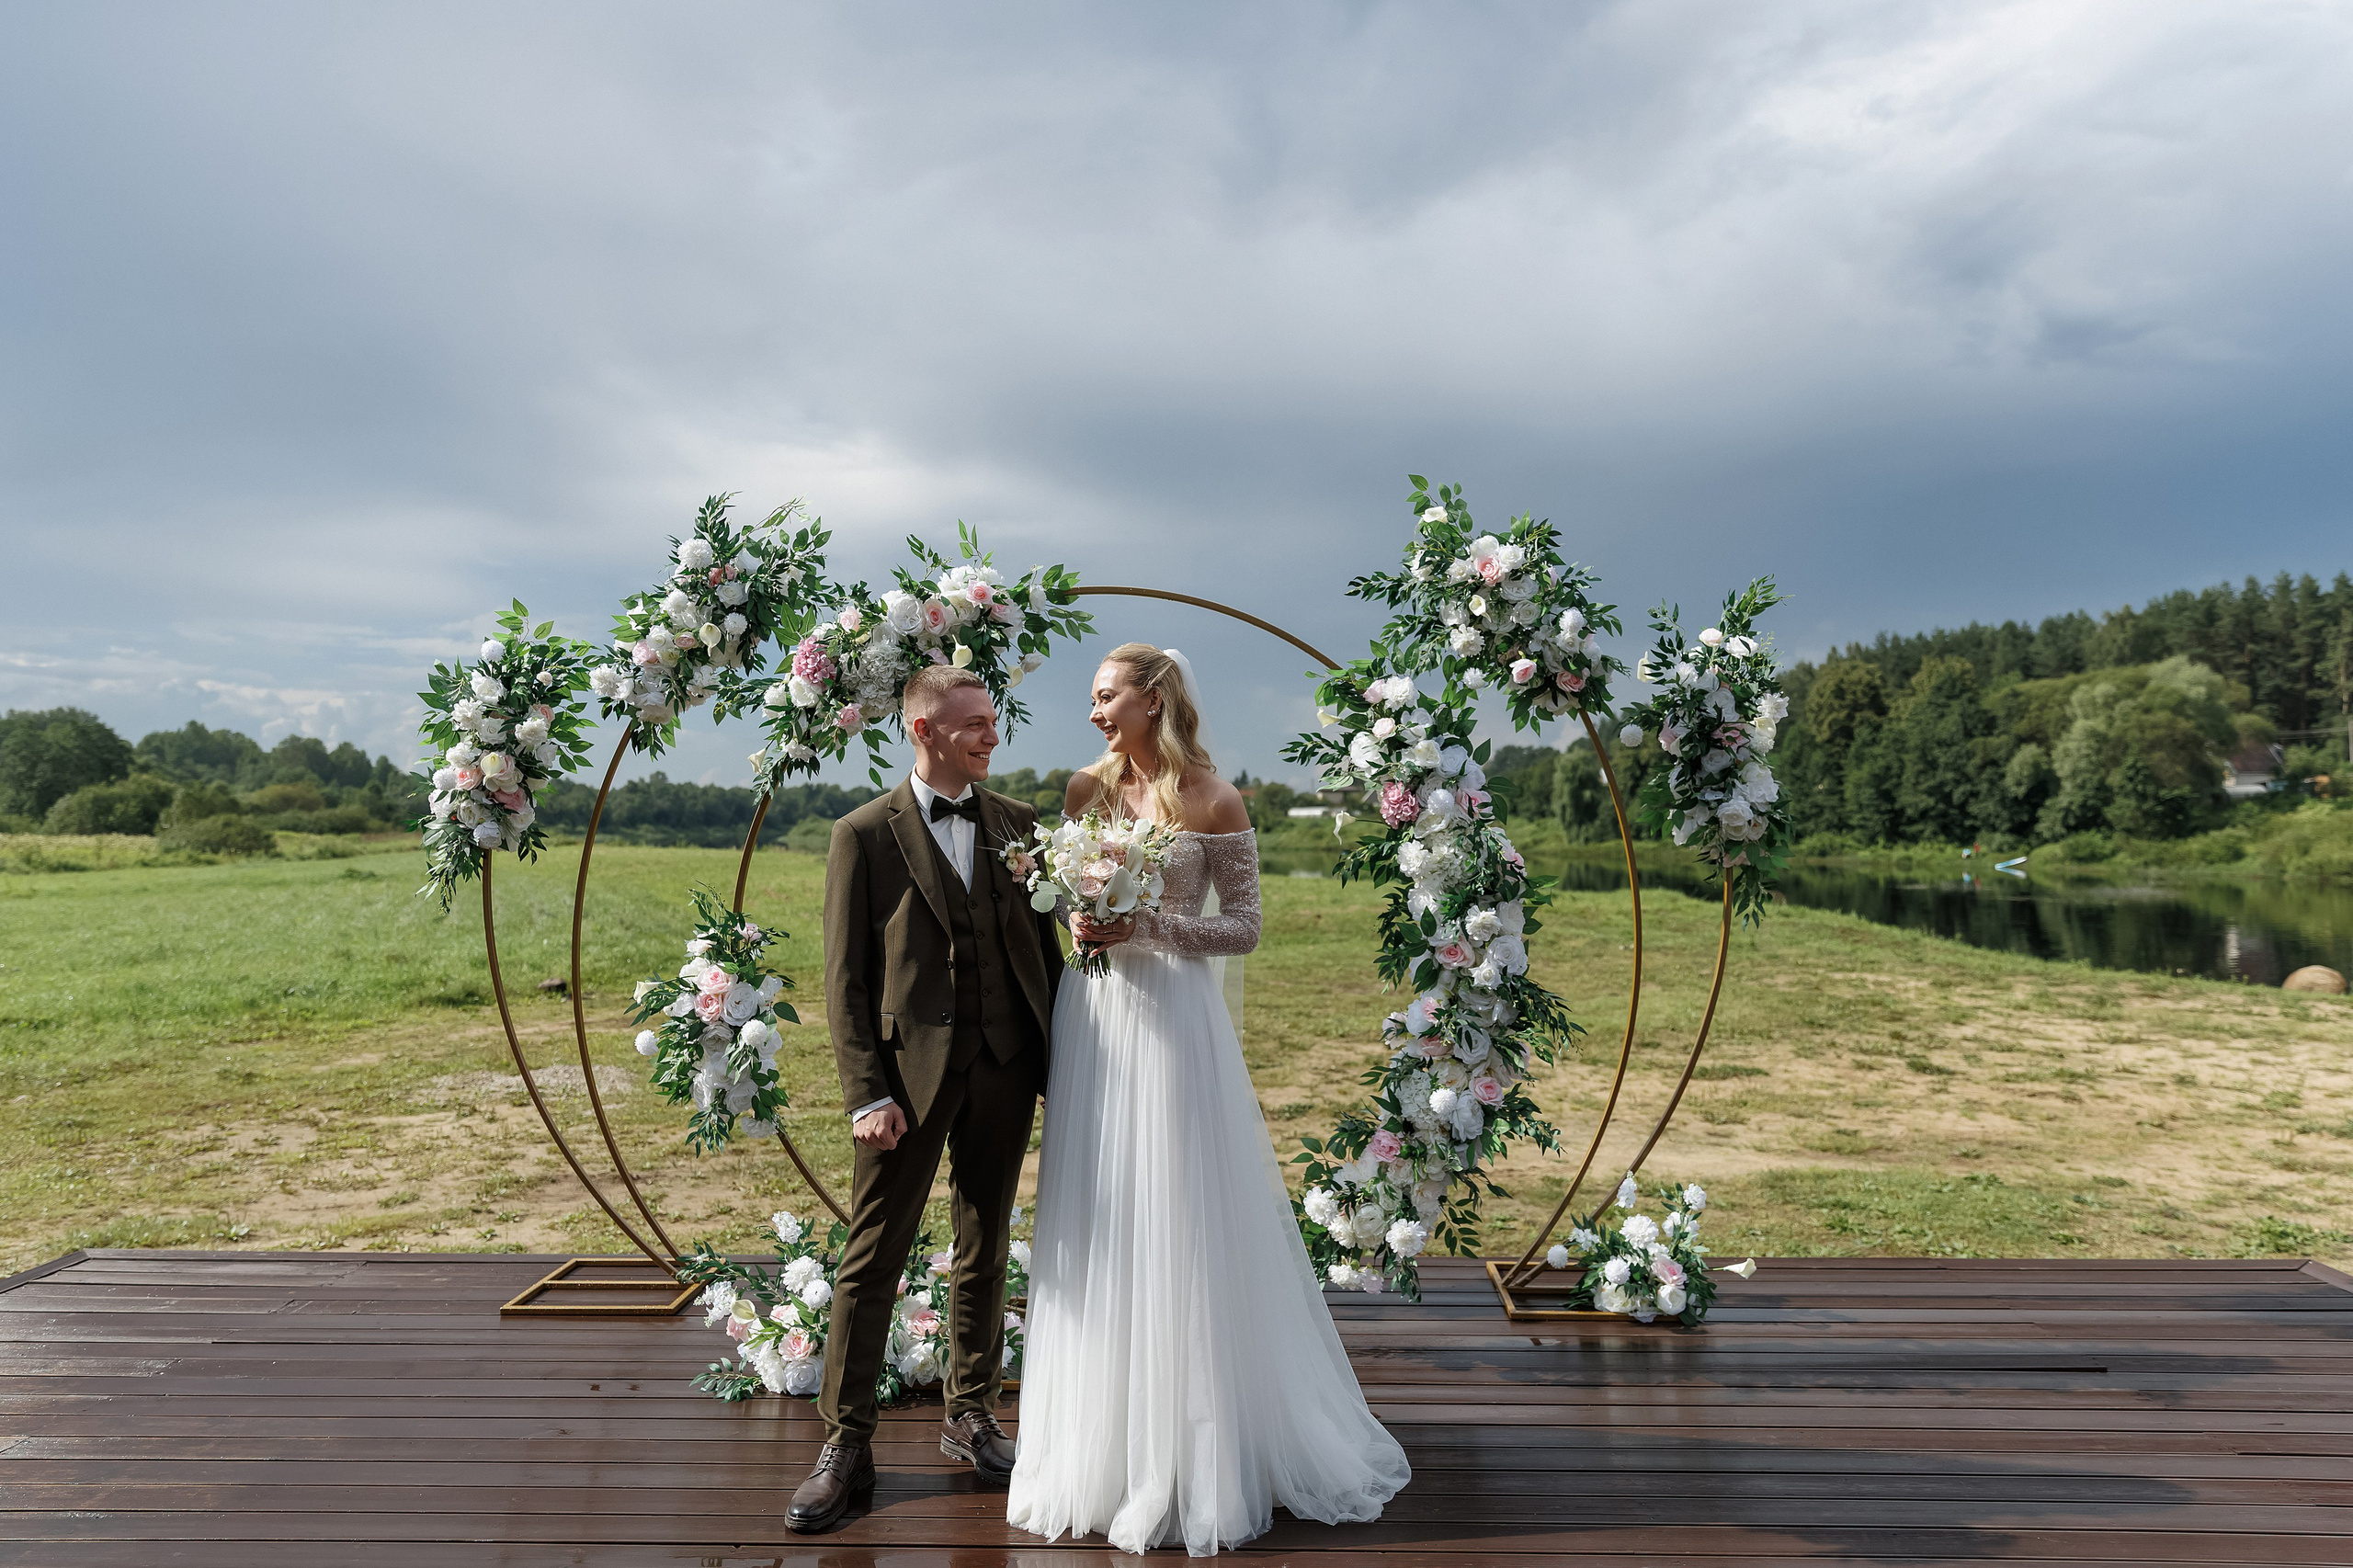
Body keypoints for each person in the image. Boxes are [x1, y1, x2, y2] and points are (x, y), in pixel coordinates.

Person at [1007, 643, 1411, 1555]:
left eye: (1106, 696)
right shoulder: (1083, 792)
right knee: (1099, 1215)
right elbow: (1063, 905)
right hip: (1100, 1015)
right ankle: (1098, 1447)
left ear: (1153, 699)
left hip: (1175, 1026)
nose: (1093, 711)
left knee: (1179, 1212)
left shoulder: (1215, 798)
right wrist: (1081, 922)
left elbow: (1245, 926)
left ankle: (1197, 1451)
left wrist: (1150, 922)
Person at [788, 664, 1063, 1535]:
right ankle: (846, 1442)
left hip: (1007, 1064)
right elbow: (844, 981)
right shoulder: (863, 833)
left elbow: (1046, 955)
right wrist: (867, 1091)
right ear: (924, 731)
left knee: (984, 1242)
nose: (992, 736)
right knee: (873, 1256)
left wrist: (1063, 1066)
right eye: (974, 724)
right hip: (905, 1085)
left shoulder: (1021, 826)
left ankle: (969, 1411)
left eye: (993, 721)